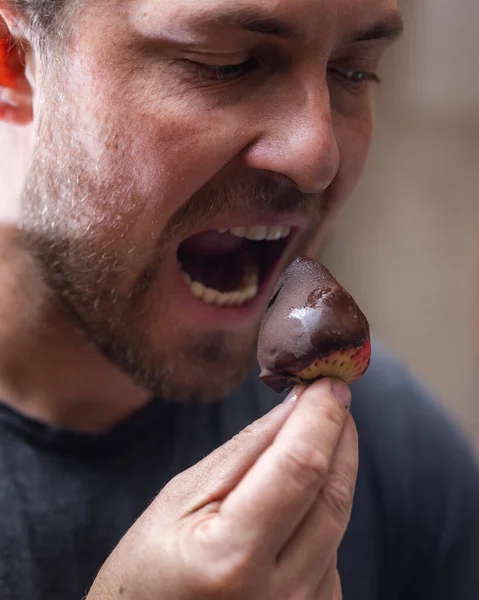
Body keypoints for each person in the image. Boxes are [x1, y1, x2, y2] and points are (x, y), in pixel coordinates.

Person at [0, 0, 478, 598]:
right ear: (16, 63)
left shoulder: (405, 461)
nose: (317, 156)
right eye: (225, 63)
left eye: (353, 71)